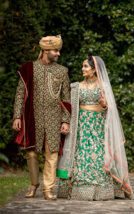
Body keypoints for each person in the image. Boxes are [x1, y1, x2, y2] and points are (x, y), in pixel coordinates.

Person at [57, 55, 134, 200]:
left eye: (85, 66)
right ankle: (79, 191)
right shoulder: (76, 87)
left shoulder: (103, 86)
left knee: (99, 155)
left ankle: (101, 190)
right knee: (81, 154)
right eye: (83, 66)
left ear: (94, 69)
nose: (82, 69)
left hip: (98, 125)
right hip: (81, 126)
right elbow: (70, 107)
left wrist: (105, 104)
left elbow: (110, 109)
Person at [12, 35, 71, 200]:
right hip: (32, 116)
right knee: (31, 153)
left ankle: (48, 189)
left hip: (54, 117)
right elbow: (20, 94)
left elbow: (66, 98)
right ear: (45, 50)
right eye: (55, 50)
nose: (58, 54)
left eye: (58, 50)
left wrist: (65, 120)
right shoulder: (29, 68)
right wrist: (17, 116)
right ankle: (34, 184)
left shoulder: (62, 71)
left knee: (52, 153)